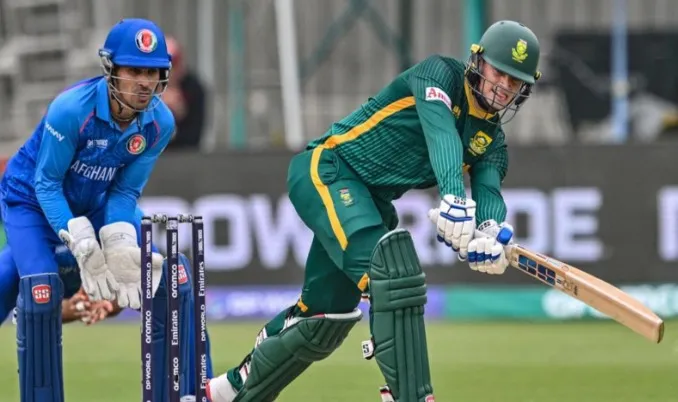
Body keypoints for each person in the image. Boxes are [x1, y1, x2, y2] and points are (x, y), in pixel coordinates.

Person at [206, 20, 542, 402]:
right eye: (499, 72)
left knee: (324, 319)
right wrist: (453, 196)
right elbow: (441, 134)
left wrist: (491, 233)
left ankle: (225, 391)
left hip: (373, 203)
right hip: (330, 169)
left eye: (515, 81)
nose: (503, 86)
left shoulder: (492, 142)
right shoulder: (439, 75)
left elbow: (489, 191)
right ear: (478, 63)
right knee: (392, 278)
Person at [0, 18, 188, 402]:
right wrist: (81, 238)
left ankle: (184, 393)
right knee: (39, 289)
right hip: (30, 201)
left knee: (169, 274)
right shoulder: (71, 109)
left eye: (152, 72)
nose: (144, 83)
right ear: (111, 69)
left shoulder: (160, 122)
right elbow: (47, 184)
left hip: (95, 203)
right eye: (134, 70)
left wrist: (117, 241)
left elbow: (124, 191)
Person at [163, 36, 207, 150]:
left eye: (173, 66)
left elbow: (194, 136)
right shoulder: (145, 89)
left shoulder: (193, 88)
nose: (169, 72)